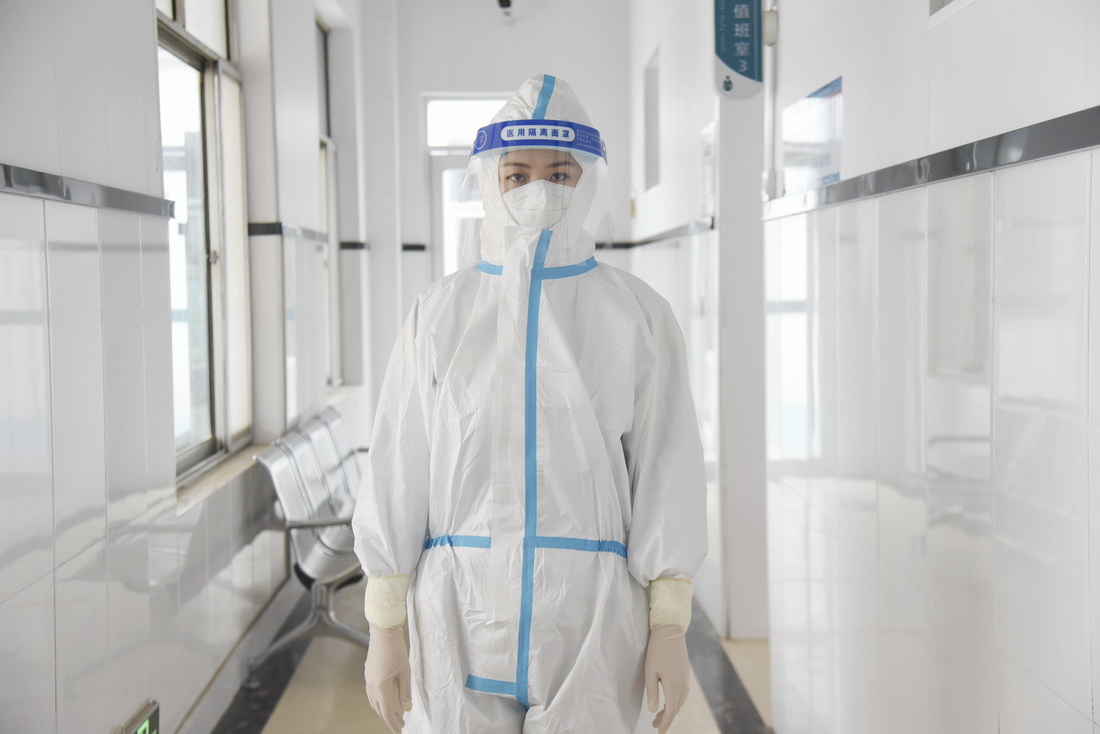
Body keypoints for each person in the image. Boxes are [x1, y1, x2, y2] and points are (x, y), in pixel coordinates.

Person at [353, 74, 707, 734]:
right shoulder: (440, 314)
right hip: (457, 616)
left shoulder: (636, 317)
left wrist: (668, 625)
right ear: (491, 182)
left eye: (559, 174)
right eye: (517, 175)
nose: (537, 191)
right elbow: (398, 467)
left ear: (587, 182)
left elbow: (669, 469)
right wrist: (384, 624)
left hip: (592, 623)